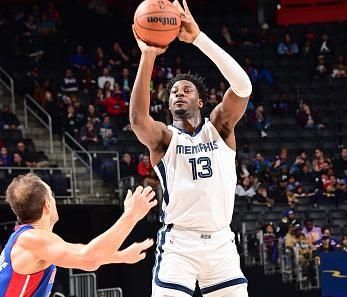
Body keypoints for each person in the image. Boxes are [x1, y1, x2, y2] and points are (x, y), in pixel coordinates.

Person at [129, 0, 252, 295]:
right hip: (178, 246)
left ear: (200, 101)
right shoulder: (164, 139)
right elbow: (137, 120)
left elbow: (243, 87)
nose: (179, 94)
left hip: (221, 245)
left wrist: (198, 38)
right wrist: (148, 55)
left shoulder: (220, 128)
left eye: (186, 90)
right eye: (173, 92)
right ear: (169, 103)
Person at [0, 174, 157, 296]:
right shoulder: (32, 239)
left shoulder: (28, 241)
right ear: (47, 204)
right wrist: (131, 216)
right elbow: (89, 258)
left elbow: (80, 255)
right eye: (52, 197)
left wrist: (121, 256)